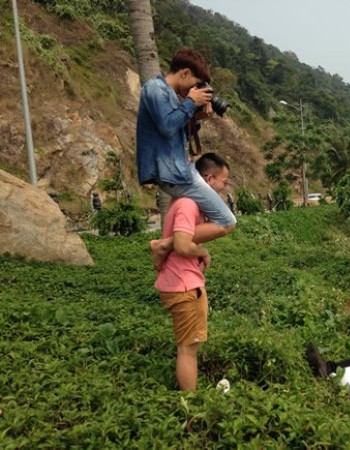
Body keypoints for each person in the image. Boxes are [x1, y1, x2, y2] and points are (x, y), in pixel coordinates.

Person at [136, 48, 236, 266]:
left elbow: (175, 135)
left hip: (180, 169)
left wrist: (198, 117)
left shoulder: (172, 96)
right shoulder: (155, 89)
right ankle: (164, 245)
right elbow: (166, 126)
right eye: (195, 83)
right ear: (184, 73)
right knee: (227, 221)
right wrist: (190, 103)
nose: (195, 89)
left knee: (209, 218)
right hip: (172, 173)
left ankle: (167, 244)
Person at [155, 152, 230, 391]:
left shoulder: (185, 203)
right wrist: (200, 252)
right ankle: (191, 405)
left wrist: (201, 250)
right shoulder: (188, 204)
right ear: (208, 179)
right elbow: (182, 244)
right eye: (222, 182)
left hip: (179, 283)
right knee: (188, 349)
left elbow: (182, 240)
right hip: (185, 286)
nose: (222, 187)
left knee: (187, 346)